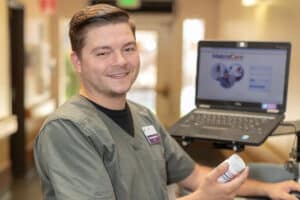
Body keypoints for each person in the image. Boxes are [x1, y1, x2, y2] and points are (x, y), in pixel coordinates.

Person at [34, 3, 300, 200]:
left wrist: (268, 189)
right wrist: (202, 198)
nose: (120, 61)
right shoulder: (67, 129)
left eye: (128, 48)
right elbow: (202, 191)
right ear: (77, 62)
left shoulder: (144, 117)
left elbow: (195, 175)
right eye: (103, 52)